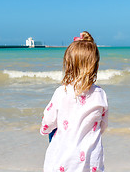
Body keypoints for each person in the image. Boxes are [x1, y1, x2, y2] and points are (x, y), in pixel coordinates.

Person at [40, 31, 109, 172]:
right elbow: (103, 125)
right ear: (95, 66)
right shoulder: (100, 94)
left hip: (64, 160)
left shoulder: (61, 92)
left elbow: (48, 121)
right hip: (91, 161)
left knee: (54, 133)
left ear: (68, 66)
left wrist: (44, 130)